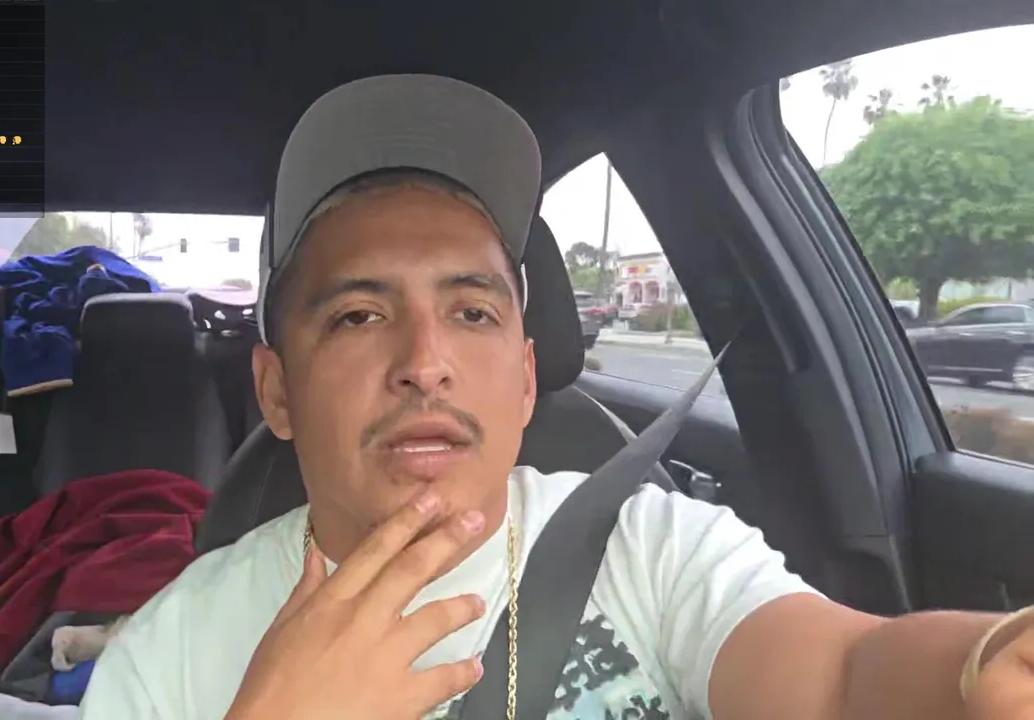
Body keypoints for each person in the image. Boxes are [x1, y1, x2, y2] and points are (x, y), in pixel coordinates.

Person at [80, 74, 1030, 720]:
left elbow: (842, 673)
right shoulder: (169, 653)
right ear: (276, 390)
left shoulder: (649, 546)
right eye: (360, 316)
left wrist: (977, 669)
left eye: (473, 313)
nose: (426, 363)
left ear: (527, 377)